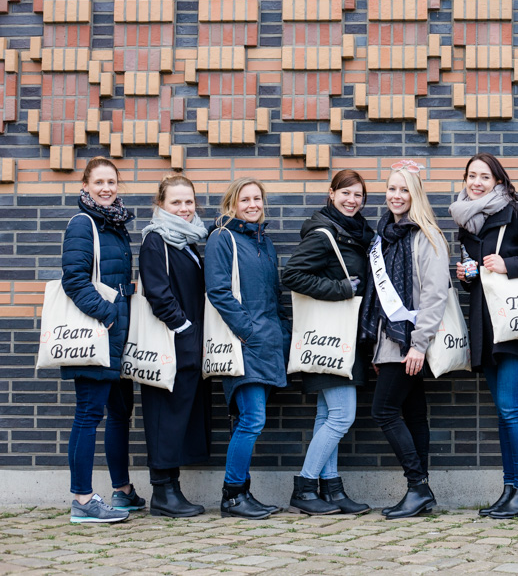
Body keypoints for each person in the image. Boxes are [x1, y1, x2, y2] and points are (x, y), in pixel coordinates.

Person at [450, 152, 518, 519]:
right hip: (487, 325)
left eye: (484, 176)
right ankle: (510, 489)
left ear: (498, 181)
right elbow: (480, 279)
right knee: (503, 412)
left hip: (517, 326)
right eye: (471, 176)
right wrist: (468, 277)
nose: (477, 182)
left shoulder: (517, 212)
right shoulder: (466, 221)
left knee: (512, 408)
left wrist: (509, 265)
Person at [359, 161, 450, 519]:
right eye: (392, 189)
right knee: (413, 414)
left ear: (416, 195)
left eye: (404, 190)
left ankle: (418, 486)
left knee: (384, 411)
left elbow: (435, 295)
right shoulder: (383, 236)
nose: (396, 196)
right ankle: (420, 493)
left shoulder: (426, 236)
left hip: (410, 342)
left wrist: (418, 343)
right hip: (390, 340)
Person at [282, 170, 375, 515]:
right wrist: (342, 290)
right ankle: (305, 486)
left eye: (359, 195)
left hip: (343, 341)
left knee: (327, 415)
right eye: (346, 193)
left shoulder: (357, 234)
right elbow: (292, 275)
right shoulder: (324, 234)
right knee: (342, 416)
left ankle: (331, 489)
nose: (352, 201)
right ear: (331, 193)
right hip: (329, 339)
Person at [61, 156, 141, 523]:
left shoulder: (116, 224)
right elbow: (74, 279)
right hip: (99, 332)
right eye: (99, 182)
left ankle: (121, 490)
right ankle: (81, 498)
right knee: (88, 414)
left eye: (112, 181)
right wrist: (108, 314)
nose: (106, 188)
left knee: (120, 413)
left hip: (117, 334)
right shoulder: (83, 223)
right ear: (85, 187)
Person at [206, 177, 291, 519]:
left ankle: (243, 493)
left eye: (258, 198)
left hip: (269, 343)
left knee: (247, 420)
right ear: (232, 204)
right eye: (245, 199)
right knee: (253, 419)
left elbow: (275, 294)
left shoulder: (265, 242)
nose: (253, 204)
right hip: (245, 344)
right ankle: (231, 496)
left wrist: (282, 332)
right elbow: (218, 291)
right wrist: (247, 331)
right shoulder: (222, 238)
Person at [138, 174, 211, 517]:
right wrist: (183, 328)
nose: (184, 209)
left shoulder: (187, 240)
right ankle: (162, 494)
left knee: (177, 416)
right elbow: (157, 291)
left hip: (187, 345)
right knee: (163, 416)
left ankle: (173, 489)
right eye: (176, 202)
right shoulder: (157, 240)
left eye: (188, 202)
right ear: (161, 205)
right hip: (172, 342)